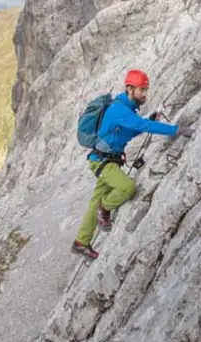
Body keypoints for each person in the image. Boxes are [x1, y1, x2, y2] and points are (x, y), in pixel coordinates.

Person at [72, 69, 193, 259]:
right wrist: (176, 129)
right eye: (141, 90)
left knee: (95, 200)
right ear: (129, 89)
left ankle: (81, 242)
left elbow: (131, 131)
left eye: (145, 90)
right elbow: (142, 126)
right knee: (127, 187)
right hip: (104, 162)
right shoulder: (119, 109)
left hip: (106, 161)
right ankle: (104, 209)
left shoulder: (125, 109)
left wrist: (150, 119)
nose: (144, 94)